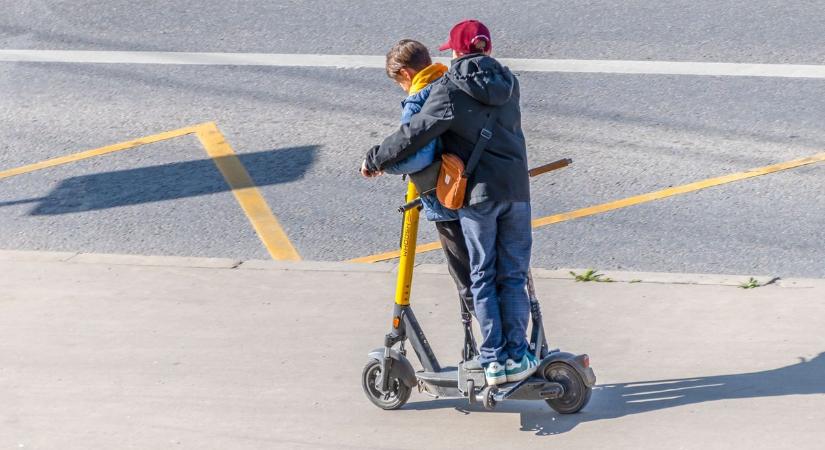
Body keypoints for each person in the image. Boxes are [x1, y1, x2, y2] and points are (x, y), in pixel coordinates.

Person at [362, 20, 536, 386]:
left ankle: (493, 361)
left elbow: (414, 135)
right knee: (514, 276)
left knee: (483, 275)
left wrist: (376, 157)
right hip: (517, 191)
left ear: (456, 51)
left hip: (478, 198)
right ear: (486, 48)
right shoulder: (510, 83)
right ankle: (518, 356)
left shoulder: (449, 89)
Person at [362, 39, 476, 324]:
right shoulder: (450, 84)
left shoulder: (419, 98)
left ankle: (494, 353)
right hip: (476, 189)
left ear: (405, 73)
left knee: (467, 280)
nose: (401, 88)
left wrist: (383, 165)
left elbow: (417, 157)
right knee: (487, 272)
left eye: (398, 82)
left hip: (446, 196)